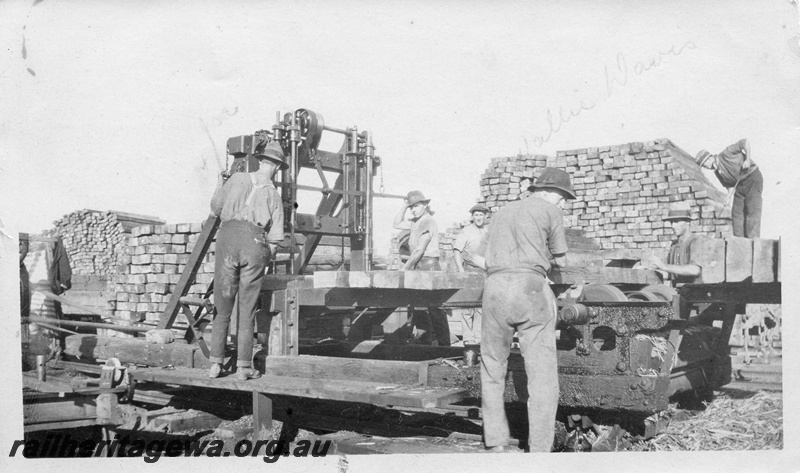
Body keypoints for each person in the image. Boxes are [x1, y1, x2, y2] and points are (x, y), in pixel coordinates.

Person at [481, 167, 575, 453]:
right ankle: (539, 450)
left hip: (494, 289)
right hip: (530, 289)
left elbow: (485, 256)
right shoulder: (550, 211)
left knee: (492, 367)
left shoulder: (501, 212)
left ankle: (495, 441)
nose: (564, 204)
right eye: (563, 198)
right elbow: (560, 258)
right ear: (550, 192)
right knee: (542, 373)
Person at [208, 141, 287, 380]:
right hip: (255, 244)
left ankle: (215, 365)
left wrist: (220, 183)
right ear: (276, 167)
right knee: (247, 308)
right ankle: (243, 368)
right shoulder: (273, 194)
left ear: (261, 161)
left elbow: (215, 209)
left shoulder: (238, 179)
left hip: (227, 239)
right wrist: (262, 255)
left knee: (222, 308)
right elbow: (275, 240)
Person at [393, 190, 451, 345]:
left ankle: (445, 346)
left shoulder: (428, 221)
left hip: (429, 265)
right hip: (418, 265)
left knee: (435, 309)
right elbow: (396, 223)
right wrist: (405, 206)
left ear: (425, 205)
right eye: (411, 207)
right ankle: (425, 344)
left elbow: (420, 249)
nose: (413, 209)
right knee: (419, 307)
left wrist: (405, 268)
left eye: (416, 206)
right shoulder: (414, 222)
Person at [695, 139, 762, 238]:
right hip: (739, 186)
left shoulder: (726, 154)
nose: (707, 168)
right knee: (736, 215)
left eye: (705, 165)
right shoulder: (717, 172)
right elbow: (730, 186)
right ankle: (740, 244)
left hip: (752, 178)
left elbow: (745, 142)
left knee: (751, 212)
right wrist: (728, 197)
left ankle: (753, 243)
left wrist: (747, 159)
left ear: (709, 159)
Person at [452, 204, 490, 345]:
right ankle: (468, 339)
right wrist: (461, 270)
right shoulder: (466, 231)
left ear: (486, 216)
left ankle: (479, 338)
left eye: (481, 215)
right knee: (468, 308)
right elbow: (457, 251)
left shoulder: (487, 231)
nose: (479, 218)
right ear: (472, 217)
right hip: (469, 271)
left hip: (484, 273)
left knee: (481, 307)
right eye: (476, 215)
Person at [641, 209, 702, 284]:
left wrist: (663, 266)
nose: (673, 226)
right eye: (671, 222)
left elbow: (695, 270)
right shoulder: (674, 246)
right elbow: (669, 272)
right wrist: (648, 269)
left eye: (676, 221)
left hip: (695, 292)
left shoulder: (696, 241)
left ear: (688, 222)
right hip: (677, 291)